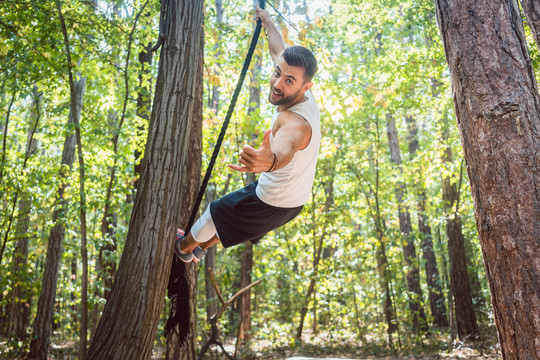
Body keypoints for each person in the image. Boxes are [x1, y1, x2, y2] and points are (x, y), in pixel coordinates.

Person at [174, 6, 321, 263]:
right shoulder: (300, 85)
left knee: (215, 213)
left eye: (289, 81)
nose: (277, 83)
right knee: (237, 221)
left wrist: (270, 161)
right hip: (293, 202)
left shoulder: (295, 122)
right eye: (278, 73)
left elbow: (284, 149)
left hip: (273, 200)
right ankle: (200, 248)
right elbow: (279, 49)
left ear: (305, 86)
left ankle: (184, 248)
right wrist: (268, 22)